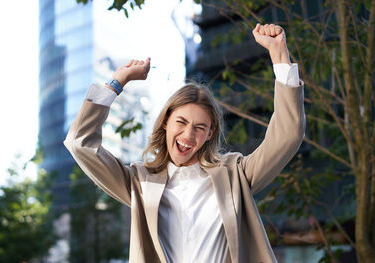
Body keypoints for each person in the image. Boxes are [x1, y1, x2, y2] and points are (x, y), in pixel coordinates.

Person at [64, 23, 305, 263]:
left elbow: (288, 134)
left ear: (210, 134)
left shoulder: (235, 175)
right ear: (166, 122)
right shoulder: (139, 183)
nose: (189, 135)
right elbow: (80, 143)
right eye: (181, 122)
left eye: (200, 127)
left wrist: (279, 54)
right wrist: (118, 82)